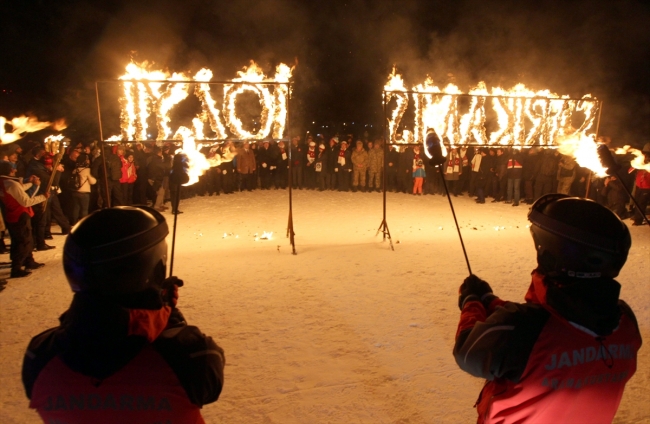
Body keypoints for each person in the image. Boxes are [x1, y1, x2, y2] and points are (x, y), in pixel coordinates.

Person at [22, 206, 225, 423]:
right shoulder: (192, 354)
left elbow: (102, 329)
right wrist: (167, 317)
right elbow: (207, 384)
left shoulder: (40, 355)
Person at [454, 193, 641, 424]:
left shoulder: (523, 328)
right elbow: (553, 324)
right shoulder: (625, 322)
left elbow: (468, 351)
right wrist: (490, 300)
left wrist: (471, 301)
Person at [0, 161, 48, 278]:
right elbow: (25, 201)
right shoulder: (12, 184)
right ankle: (16, 267)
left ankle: (28, 261)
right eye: (13, 168)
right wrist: (43, 197)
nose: (15, 170)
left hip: (11, 214)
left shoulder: (4, 182)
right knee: (23, 241)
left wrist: (31, 183)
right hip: (20, 214)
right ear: (9, 170)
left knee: (21, 240)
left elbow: (19, 189)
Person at [629, 142, 650, 226]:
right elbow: (630, 170)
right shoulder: (641, 160)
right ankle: (636, 215)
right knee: (637, 201)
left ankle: (638, 220)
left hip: (647, 186)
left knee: (641, 203)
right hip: (639, 185)